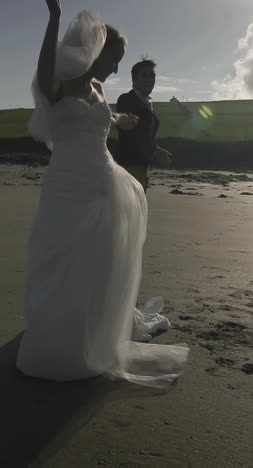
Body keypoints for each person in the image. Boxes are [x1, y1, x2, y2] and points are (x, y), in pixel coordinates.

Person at [16, 0, 188, 387]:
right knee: (59, 262)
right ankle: (58, 344)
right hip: (68, 185)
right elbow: (47, 85)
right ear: (95, 51)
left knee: (100, 261)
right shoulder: (59, 84)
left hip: (105, 183)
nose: (115, 67)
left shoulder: (95, 88)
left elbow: (94, 115)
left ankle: (93, 334)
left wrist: (117, 117)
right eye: (114, 58)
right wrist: (54, 18)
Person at [115, 58, 172, 191]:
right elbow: (132, 135)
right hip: (127, 168)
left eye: (152, 75)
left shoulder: (147, 104)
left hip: (142, 168)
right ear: (134, 79)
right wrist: (156, 151)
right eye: (144, 75)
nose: (149, 79)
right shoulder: (126, 99)